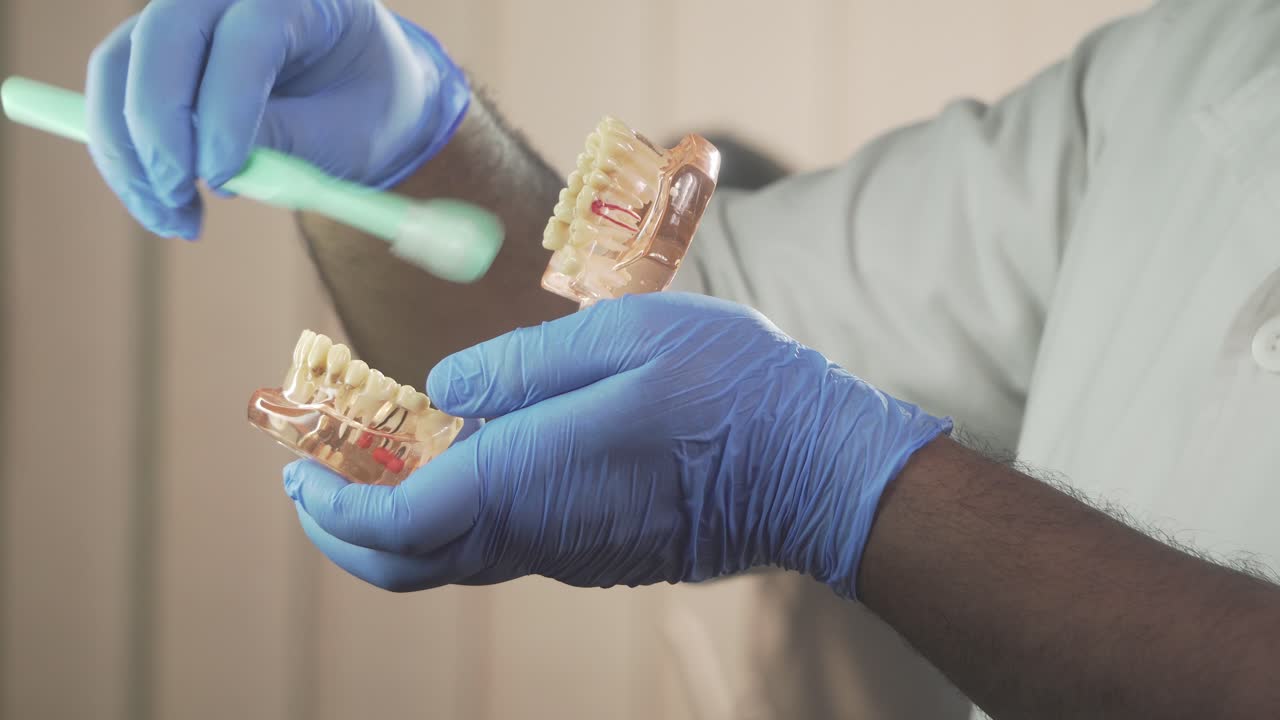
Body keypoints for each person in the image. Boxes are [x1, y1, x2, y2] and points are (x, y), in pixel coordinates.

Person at [83, 0, 1280, 717]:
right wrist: (402, 153)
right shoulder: (1188, 76)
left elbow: (734, 407)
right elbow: (628, 343)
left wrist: (842, 486)